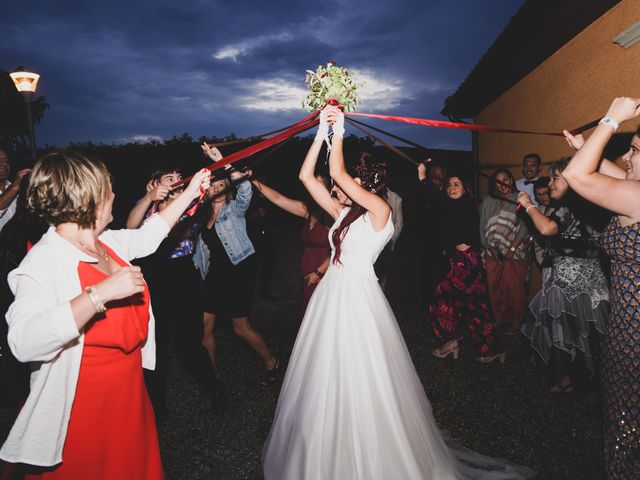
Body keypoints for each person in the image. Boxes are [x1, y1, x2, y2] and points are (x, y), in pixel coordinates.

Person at [263, 106, 534, 480]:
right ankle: (325, 443)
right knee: (325, 372)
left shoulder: (380, 211)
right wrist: (321, 135)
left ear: (365, 184)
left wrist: (339, 129)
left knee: (361, 372)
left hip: (358, 298)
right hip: (331, 297)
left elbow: (337, 172)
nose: (339, 188)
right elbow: (306, 176)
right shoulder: (342, 214)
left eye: (349, 183)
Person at [0, 151, 210, 478]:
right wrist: (100, 294)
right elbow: (23, 342)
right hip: (83, 405)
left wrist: (191, 190)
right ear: (89, 197)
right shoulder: (42, 262)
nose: (114, 194)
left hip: (128, 394)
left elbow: (149, 235)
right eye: (108, 187)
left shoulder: (106, 243)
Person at [560, 96, 640, 478]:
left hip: (634, 338)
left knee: (627, 428)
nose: (626, 157)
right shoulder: (634, 193)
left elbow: (579, 178)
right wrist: (583, 146)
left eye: (635, 151)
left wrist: (611, 120)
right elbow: (614, 177)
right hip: (627, 328)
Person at [126, 165, 222, 417]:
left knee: (188, 342)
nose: (178, 182)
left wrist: (184, 194)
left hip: (181, 274)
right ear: (155, 182)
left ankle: (214, 388)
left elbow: (169, 233)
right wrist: (148, 199)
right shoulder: (147, 204)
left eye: (181, 178)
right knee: (154, 343)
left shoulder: (193, 205)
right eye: (171, 178)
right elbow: (130, 227)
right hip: (151, 275)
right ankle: (156, 407)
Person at [518, 159, 609, 393]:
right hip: (593, 281)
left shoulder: (568, 207)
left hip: (568, 283)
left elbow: (548, 228)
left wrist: (528, 205)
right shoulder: (595, 204)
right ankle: (589, 382)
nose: (550, 184)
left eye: (554, 178)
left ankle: (568, 380)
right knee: (588, 333)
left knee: (559, 331)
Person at [199, 143, 279, 387]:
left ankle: (271, 363)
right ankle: (210, 376)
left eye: (222, 184)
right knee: (204, 328)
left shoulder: (235, 209)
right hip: (215, 274)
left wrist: (224, 162)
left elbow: (245, 189)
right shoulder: (202, 216)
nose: (218, 188)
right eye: (214, 184)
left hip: (239, 272)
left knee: (240, 328)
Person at [418, 167, 499, 362]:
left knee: (444, 303)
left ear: (465, 189)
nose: (451, 188)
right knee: (472, 309)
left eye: (457, 185)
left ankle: (456, 342)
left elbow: (440, 199)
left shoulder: (463, 204)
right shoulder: (455, 207)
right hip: (461, 264)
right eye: (449, 185)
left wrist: (423, 178)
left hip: (467, 266)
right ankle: (488, 348)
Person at [249, 174, 331, 319]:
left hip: (325, 272)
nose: (314, 186)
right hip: (308, 270)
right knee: (308, 315)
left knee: (321, 315)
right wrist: (254, 180)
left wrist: (318, 272)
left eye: (320, 183)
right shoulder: (308, 210)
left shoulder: (333, 212)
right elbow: (278, 199)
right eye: (312, 183)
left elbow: (341, 248)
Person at [480, 169, 530, 336]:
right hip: (492, 252)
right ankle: (499, 317)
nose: (502, 184)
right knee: (494, 287)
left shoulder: (520, 198)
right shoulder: (488, 200)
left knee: (513, 287)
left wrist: (511, 249)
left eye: (505, 180)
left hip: (514, 252)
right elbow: (482, 227)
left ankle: (516, 320)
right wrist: (489, 248)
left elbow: (524, 227)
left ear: (511, 180)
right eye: (497, 181)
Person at [0, 148, 31, 232]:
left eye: (5, 160)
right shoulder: (14, 187)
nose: (3, 164)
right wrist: (14, 186)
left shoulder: (17, 189)